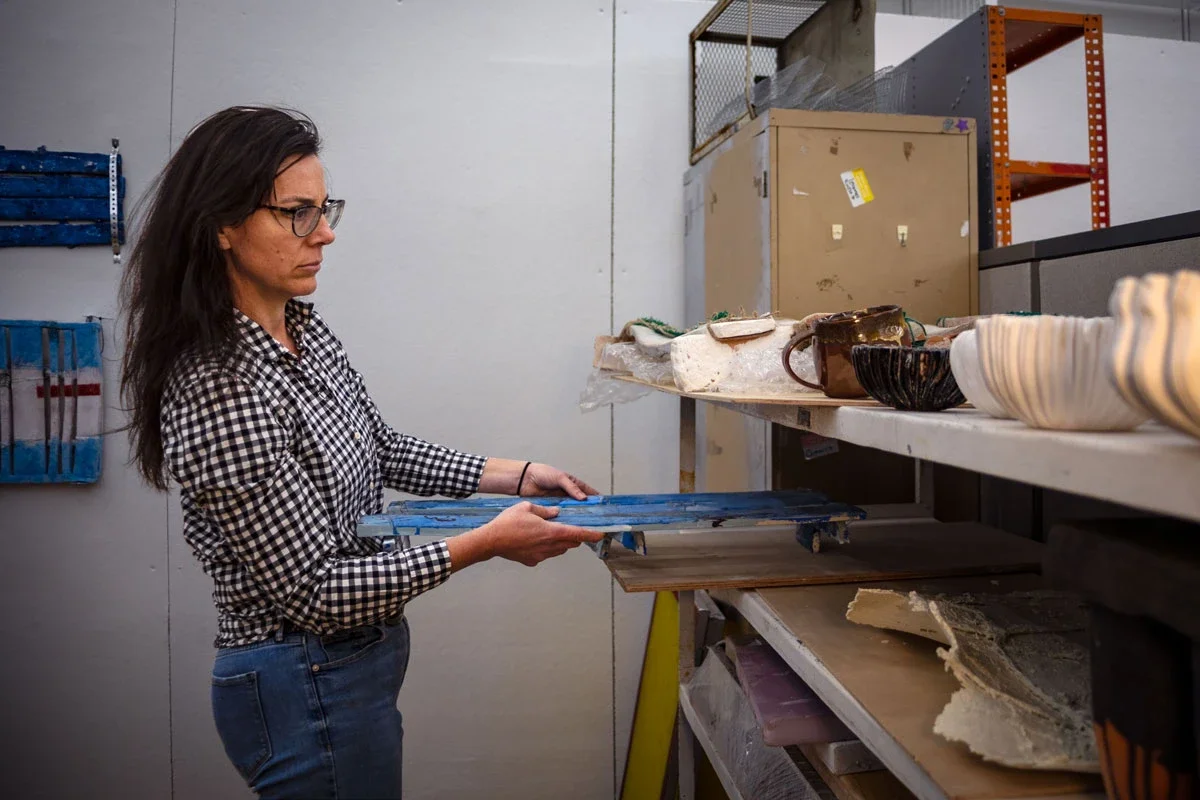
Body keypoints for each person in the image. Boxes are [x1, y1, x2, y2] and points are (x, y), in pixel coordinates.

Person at [120, 105, 604, 799]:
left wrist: (517, 475)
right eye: (296, 213)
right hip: (303, 678)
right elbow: (315, 592)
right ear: (222, 226)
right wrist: (485, 542)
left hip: (346, 668)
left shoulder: (300, 330)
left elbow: (376, 445)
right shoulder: (220, 387)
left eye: (324, 208)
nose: (326, 233)